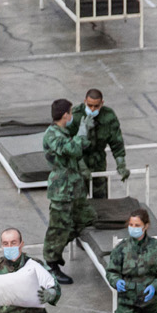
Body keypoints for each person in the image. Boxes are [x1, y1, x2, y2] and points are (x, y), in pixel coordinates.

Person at [41, 98, 93, 279]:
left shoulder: (63, 131)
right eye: (71, 112)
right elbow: (72, 149)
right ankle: (52, 264)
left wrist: (85, 134)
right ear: (65, 115)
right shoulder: (52, 135)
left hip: (74, 188)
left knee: (85, 219)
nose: (72, 116)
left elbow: (82, 147)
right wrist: (81, 133)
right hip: (61, 189)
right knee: (58, 228)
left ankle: (58, 248)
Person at [77, 87, 129, 200]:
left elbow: (117, 143)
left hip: (98, 163)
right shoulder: (75, 115)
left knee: (101, 199)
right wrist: (81, 166)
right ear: (85, 101)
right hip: (78, 163)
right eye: (89, 105)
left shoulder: (108, 116)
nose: (92, 109)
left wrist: (121, 164)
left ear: (102, 103)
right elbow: (69, 145)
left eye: (96, 106)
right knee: (77, 200)